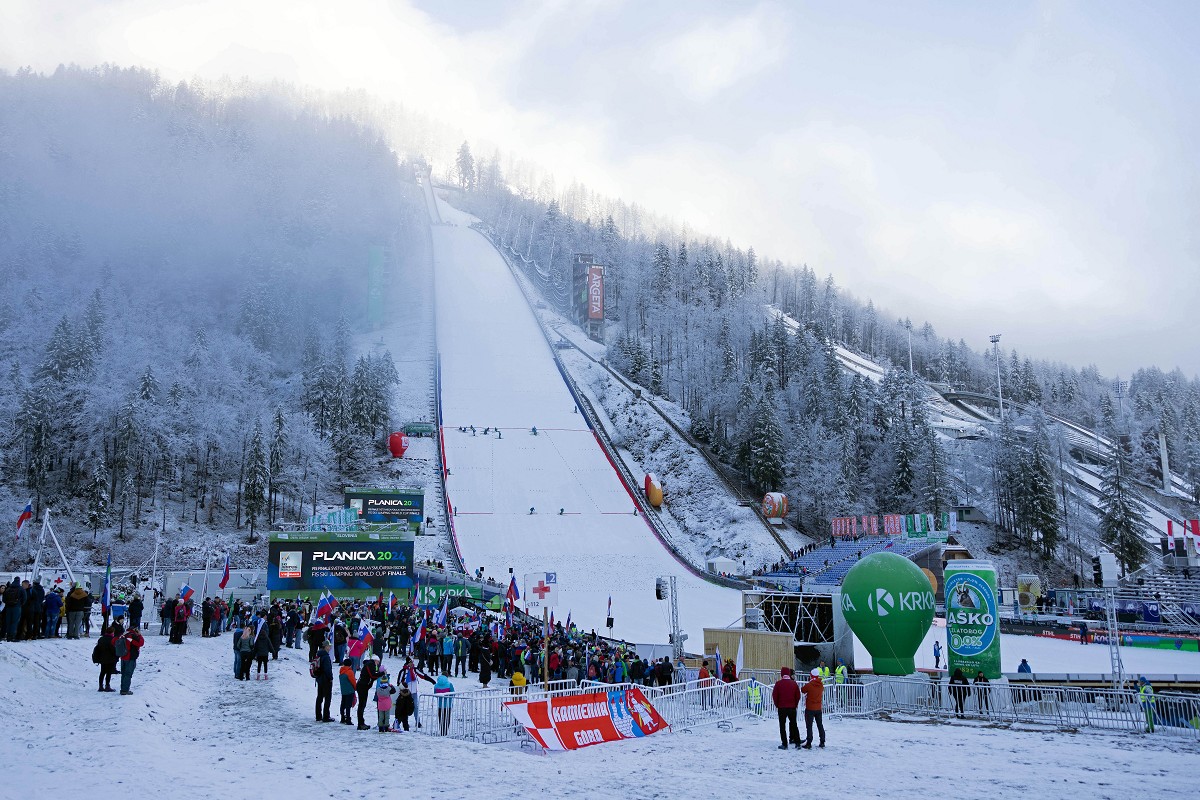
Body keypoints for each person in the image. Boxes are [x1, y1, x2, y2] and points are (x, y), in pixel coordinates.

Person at [771, 666, 801, 750]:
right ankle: (797, 742)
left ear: (782, 674)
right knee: (794, 724)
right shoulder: (794, 683)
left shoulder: (778, 683)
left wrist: (777, 704)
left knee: (782, 726)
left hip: (782, 708)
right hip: (792, 707)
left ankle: (784, 743)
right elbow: (798, 696)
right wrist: (795, 704)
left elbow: (774, 695)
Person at [800, 668, 825, 749]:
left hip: (810, 708)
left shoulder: (810, 685)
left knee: (809, 726)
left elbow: (803, 690)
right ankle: (822, 741)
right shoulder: (821, 685)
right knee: (820, 725)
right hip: (818, 708)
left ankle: (809, 742)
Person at [117, 625, 145, 695]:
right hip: (130, 657)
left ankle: (122, 688)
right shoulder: (133, 636)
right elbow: (141, 643)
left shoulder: (124, 634)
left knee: (123, 674)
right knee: (128, 674)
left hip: (123, 656)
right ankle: (125, 690)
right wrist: (140, 635)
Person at [356, 656, 382, 730]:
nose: (378, 664)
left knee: (362, 704)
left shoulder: (369, 664)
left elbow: (372, 676)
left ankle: (361, 722)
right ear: (375, 660)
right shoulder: (371, 664)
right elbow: (372, 675)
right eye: (378, 662)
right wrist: (381, 673)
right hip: (363, 686)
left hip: (363, 686)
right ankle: (360, 724)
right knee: (362, 704)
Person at [92, 623, 119, 692]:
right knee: (108, 673)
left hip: (102, 658)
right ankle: (107, 686)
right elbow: (113, 650)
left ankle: (100, 686)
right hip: (110, 659)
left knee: (102, 672)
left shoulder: (101, 639)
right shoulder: (112, 640)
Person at [314, 641, 334, 723]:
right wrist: (331, 677)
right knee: (327, 698)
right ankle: (326, 716)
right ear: (325, 647)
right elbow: (327, 669)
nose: (330, 648)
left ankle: (318, 716)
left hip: (319, 679)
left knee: (319, 697)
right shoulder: (325, 656)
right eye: (329, 646)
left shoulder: (319, 654)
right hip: (326, 680)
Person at [338, 659, 357, 724]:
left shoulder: (341, 671)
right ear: (350, 665)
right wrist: (355, 688)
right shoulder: (350, 672)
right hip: (350, 690)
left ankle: (342, 718)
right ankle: (348, 719)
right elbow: (353, 681)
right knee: (348, 706)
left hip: (343, 691)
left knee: (343, 704)